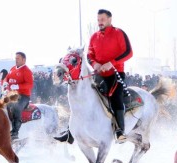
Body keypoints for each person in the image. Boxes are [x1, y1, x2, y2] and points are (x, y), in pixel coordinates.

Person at [54, 9, 133, 144]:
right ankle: (70, 131)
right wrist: (95, 63)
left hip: (116, 74)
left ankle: (120, 130)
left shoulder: (119, 33)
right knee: (82, 98)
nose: (100, 22)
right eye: (98, 20)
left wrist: (111, 63)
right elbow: (90, 55)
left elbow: (128, 52)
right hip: (98, 75)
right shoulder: (94, 37)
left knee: (115, 97)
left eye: (102, 20)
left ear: (109, 19)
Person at [3, 52, 34, 140]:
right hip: (12, 94)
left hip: (23, 96)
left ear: (24, 60)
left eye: (18, 58)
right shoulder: (13, 68)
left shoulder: (27, 71)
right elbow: (7, 77)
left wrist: (18, 86)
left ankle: (15, 132)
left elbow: (30, 84)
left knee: (16, 107)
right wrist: (5, 82)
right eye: (15, 58)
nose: (16, 60)